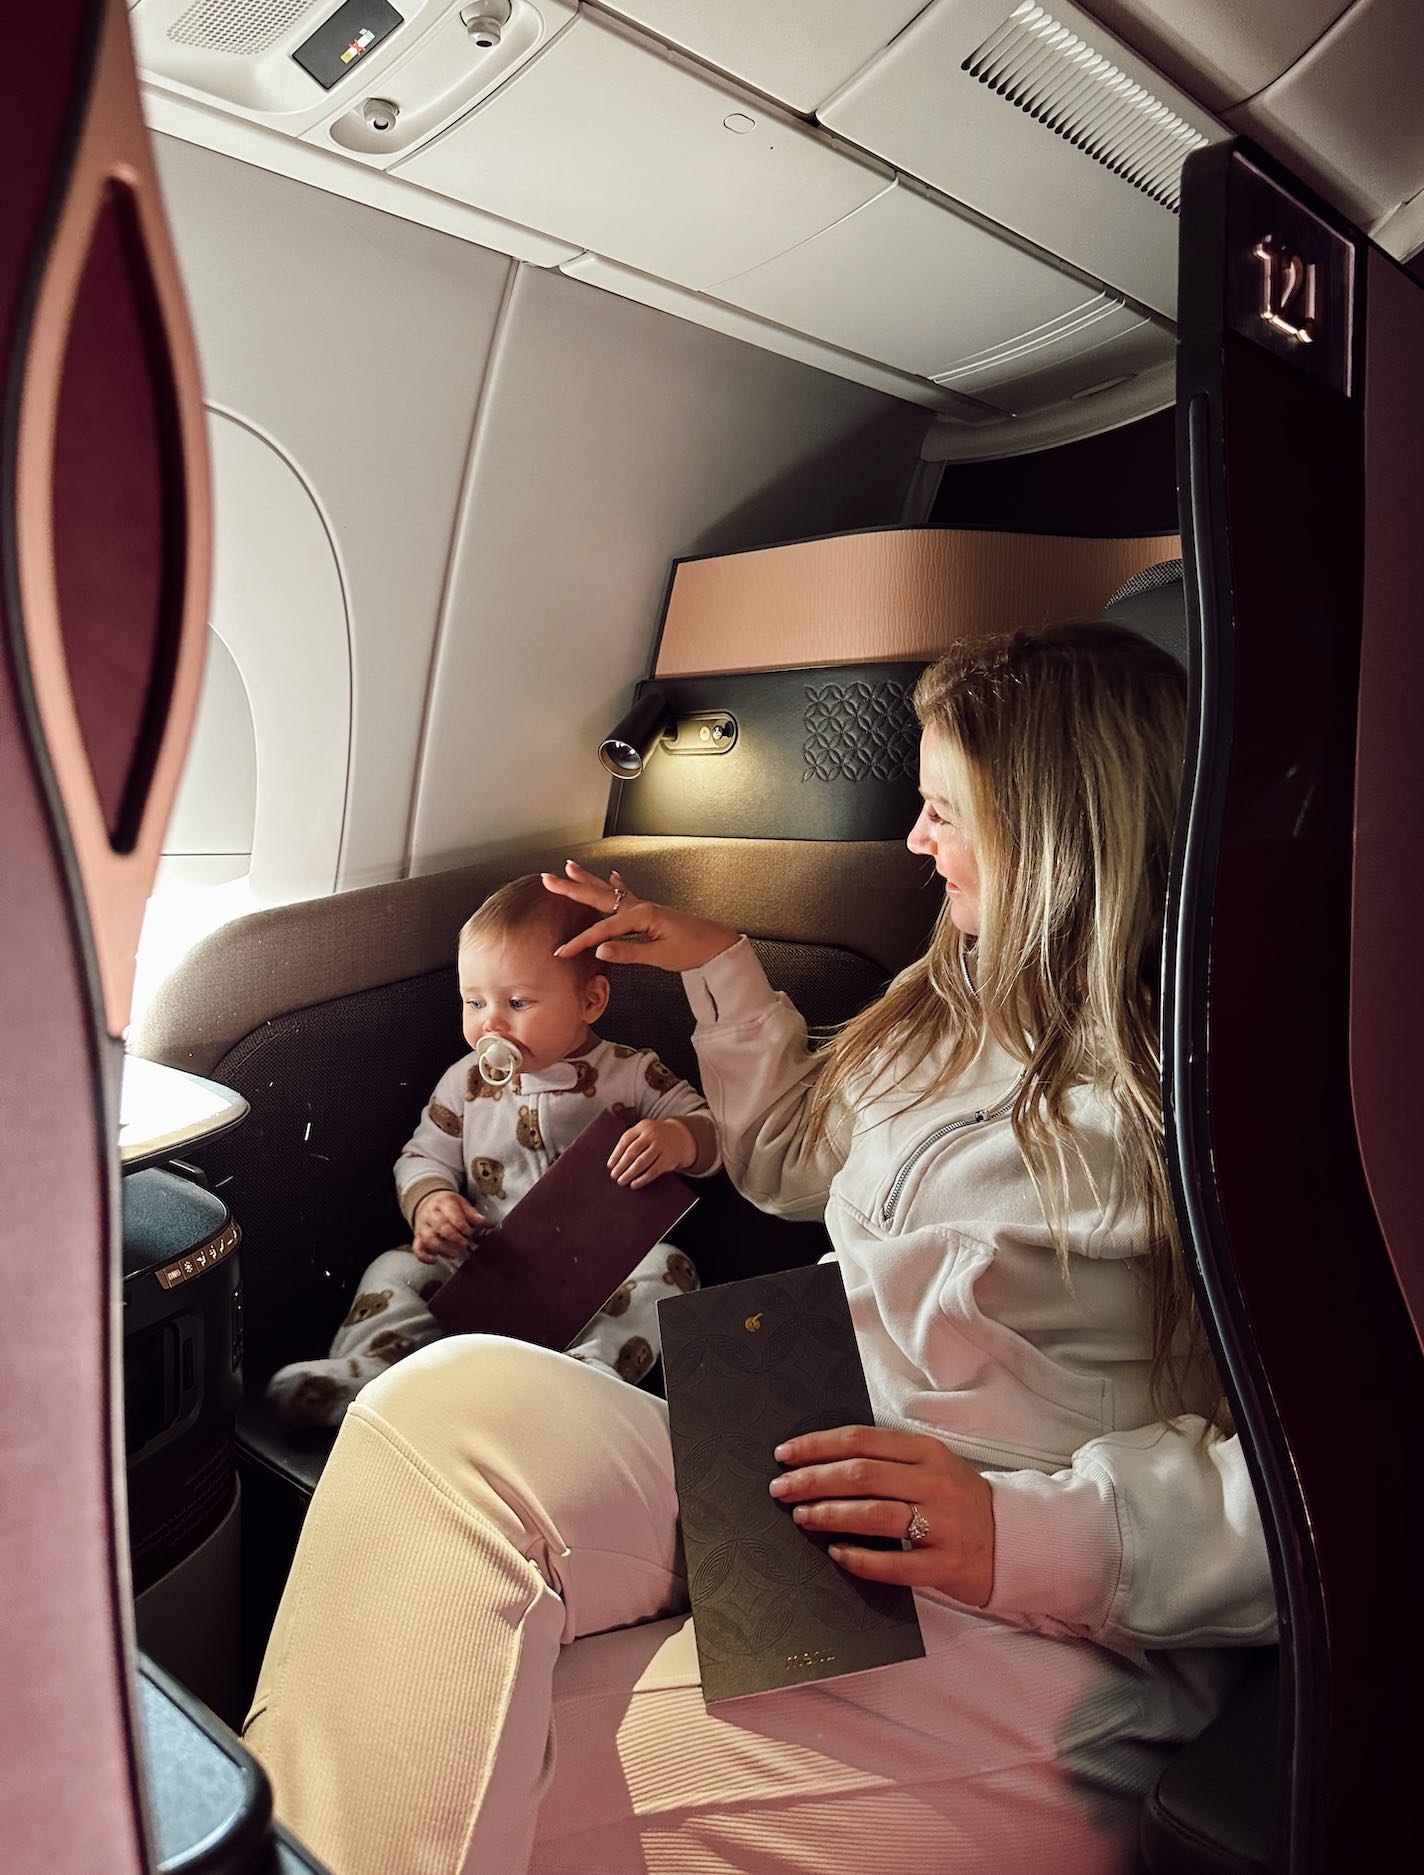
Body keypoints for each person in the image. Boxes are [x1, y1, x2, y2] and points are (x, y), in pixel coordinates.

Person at [243, 625, 1274, 1875]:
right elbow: (785, 1163)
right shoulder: (941, 1015)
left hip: (1032, 1618)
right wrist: (721, 969)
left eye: (945, 809)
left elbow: (1320, 1494)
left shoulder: (1211, 1106)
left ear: (1058, 837)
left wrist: (1029, 1535)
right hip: (801, 1476)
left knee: (475, 1749)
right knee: (436, 1404)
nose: (914, 841)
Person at [265, 874, 718, 1426]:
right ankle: (374, 1379)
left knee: (670, 1272)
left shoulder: (633, 1073)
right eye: (474, 1002)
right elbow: (423, 1157)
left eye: (517, 1001)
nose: (490, 1024)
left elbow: (710, 1132)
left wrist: (676, 1139)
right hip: (486, 1260)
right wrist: (430, 1203)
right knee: (395, 1268)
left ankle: (580, 1384)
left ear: (590, 999)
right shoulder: (464, 1082)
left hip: (600, 1270)